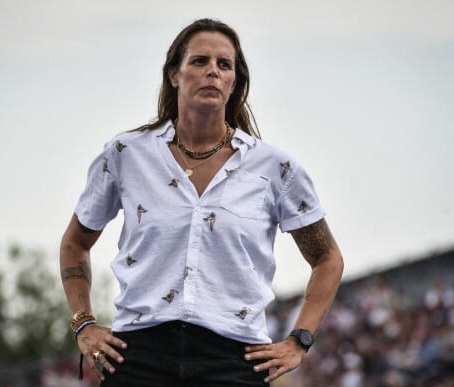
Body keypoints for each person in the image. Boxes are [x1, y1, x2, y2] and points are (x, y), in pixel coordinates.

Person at [59, 18, 344, 387]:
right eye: (200, 61)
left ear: (234, 82)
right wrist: (83, 322)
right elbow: (74, 243)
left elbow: (327, 259)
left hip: (234, 359)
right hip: (139, 355)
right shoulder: (125, 154)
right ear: (174, 74)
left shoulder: (275, 168)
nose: (213, 71)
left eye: (224, 65)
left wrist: (299, 339)